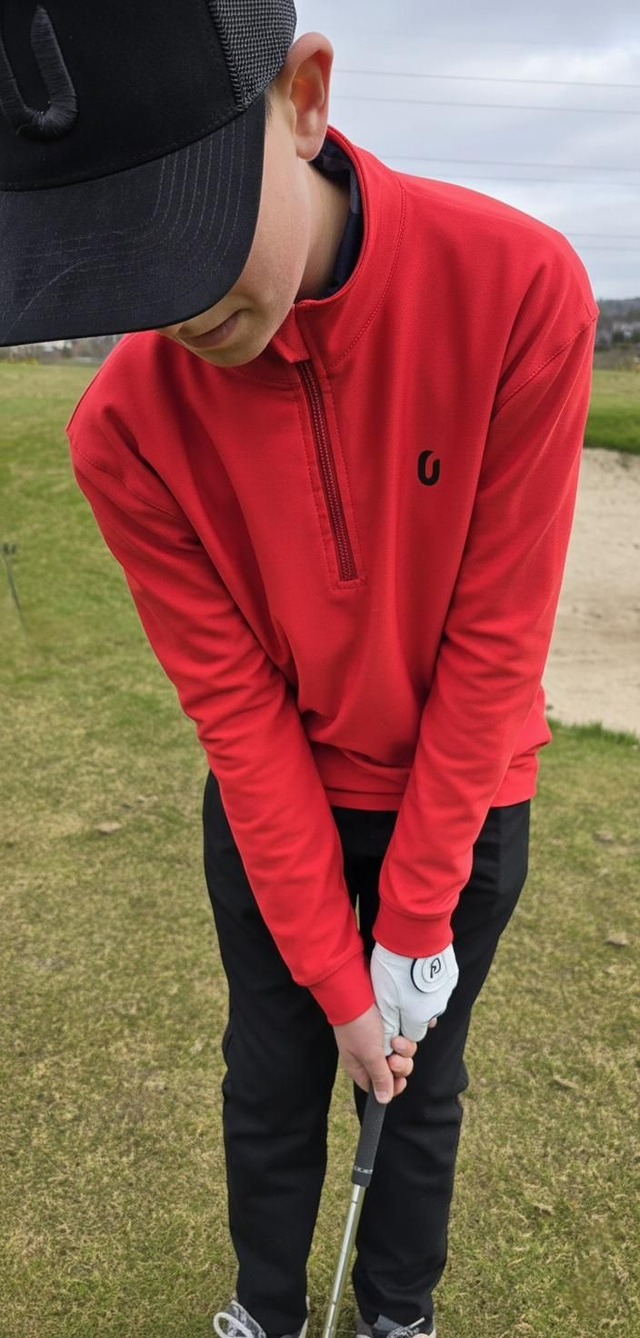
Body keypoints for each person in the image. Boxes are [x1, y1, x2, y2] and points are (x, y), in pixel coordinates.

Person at [0, 4, 599, 1338]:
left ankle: (396, 1311)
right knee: (271, 1075)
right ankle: (268, 1310)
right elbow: (239, 714)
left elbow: (493, 650)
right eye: (112, 266)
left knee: (415, 1085)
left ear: (305, 98)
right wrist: (341, 982)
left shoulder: (521, 288)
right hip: (282, 813)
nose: (171, 307)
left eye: (185, 228)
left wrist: (415, 929)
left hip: (465, 797)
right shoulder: (122, 430)